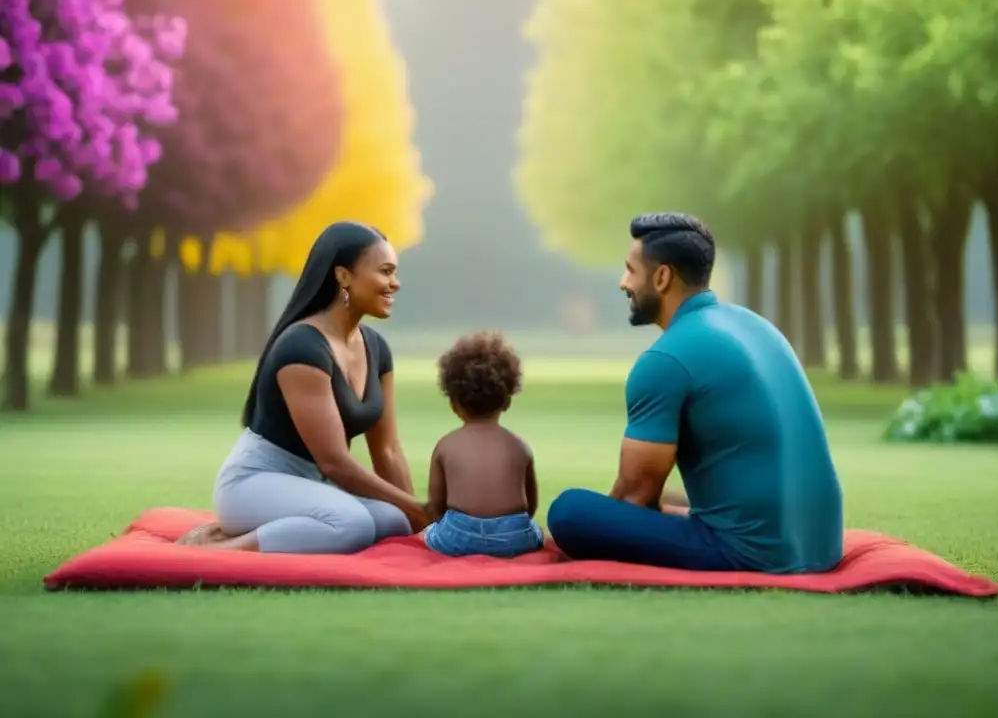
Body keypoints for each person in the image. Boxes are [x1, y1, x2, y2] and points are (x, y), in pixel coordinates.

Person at [546, 213, 844, 574]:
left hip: (752, 553)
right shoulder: (756, 325)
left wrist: (596, 525)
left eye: (630, 270)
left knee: (570, 511)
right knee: (668, 502)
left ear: (662, 277)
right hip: (823, 544)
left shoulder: (664, 359)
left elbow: (634, 496)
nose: (623, 282)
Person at [177, 221, 433, 553]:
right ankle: (220, 547)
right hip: (254, 484)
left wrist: (416, 521)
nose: (395, 284)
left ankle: (258, 531)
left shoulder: (377, 349)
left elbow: (387, 451)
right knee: (352, 524)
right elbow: (334, 462)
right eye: (385, 272)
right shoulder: (302, 347)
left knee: (393, 521)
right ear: (343, 276)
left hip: (311, 484)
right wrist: (420, 508)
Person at [422, 332, 544, 558]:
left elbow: (436, 506)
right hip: (513, 535)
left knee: (429, 533)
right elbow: (531, 504)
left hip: (458, 534)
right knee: (537, 532)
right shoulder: (519, 447)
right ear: (507, 402)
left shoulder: (445, 445)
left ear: (453, 403)